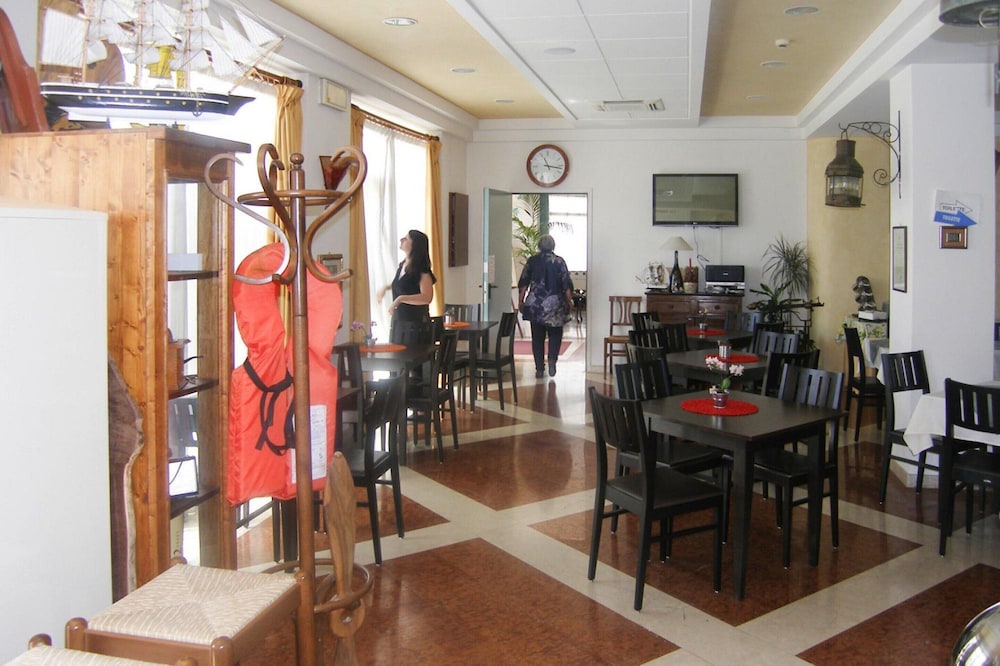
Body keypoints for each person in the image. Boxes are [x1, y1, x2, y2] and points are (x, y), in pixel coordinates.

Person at [517, 234, 573, 378]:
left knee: (537, 337)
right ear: (553, 246)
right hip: (555, 305)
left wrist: (521, 301)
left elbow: (524, 283)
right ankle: (552, 359)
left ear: (539, 246)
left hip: (535, 305)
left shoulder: (532, 261)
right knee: (556, 334)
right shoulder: (559, 262)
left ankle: (540, 368)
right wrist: (569, 301)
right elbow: (566, 284)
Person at [378, 229, 437, 344]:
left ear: (414, 245)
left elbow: (427, 297)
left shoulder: (422, 270)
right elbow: (404, 285)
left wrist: (400, 299)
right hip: (399, 323)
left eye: (406, 239)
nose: (401, 240)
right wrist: (386, 288)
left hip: (416, 326)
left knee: (411, 354)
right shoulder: (402, 265)